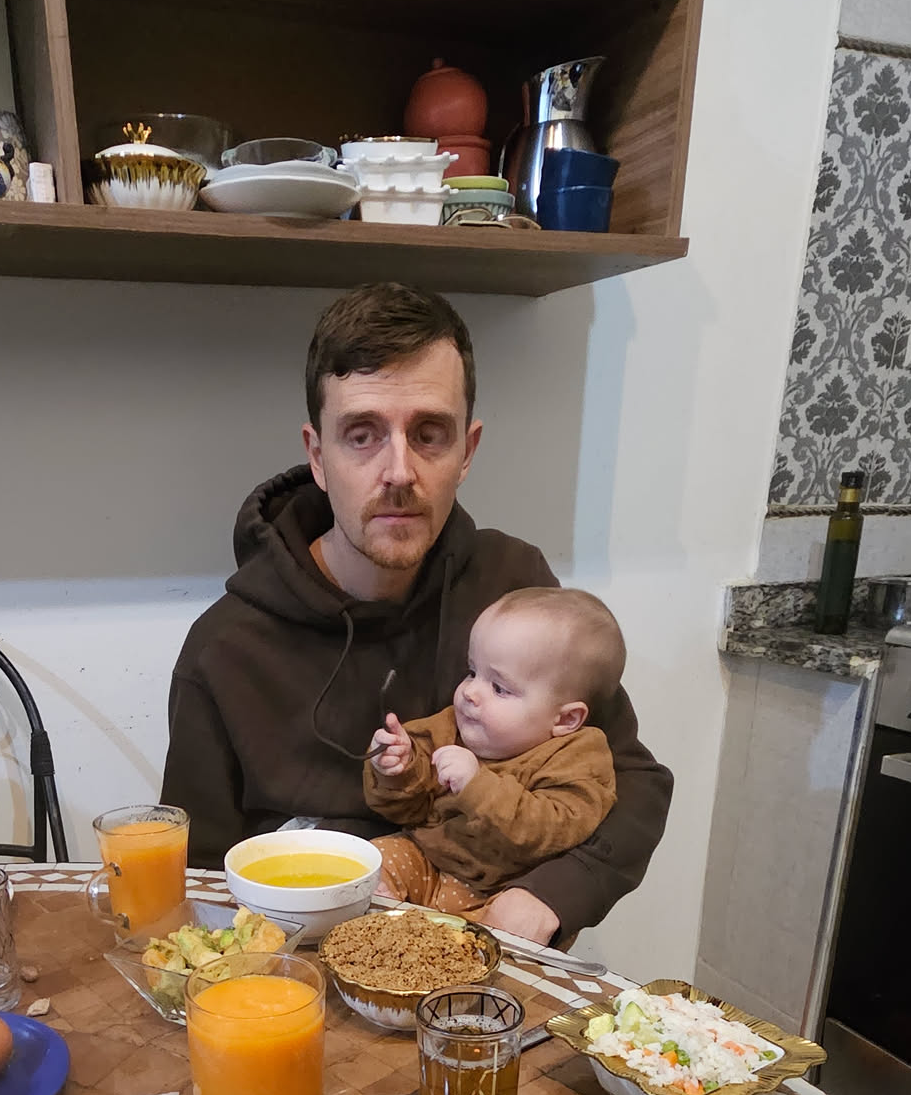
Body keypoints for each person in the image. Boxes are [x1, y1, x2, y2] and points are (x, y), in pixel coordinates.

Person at [163, 282, 671, 944]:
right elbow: (198, 879)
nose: (399, 472)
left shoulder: (515, 588)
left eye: (429, 434)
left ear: (467, 452)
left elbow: (632, 781)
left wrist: (551, 895)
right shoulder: (224, 647)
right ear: (318, 456)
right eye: (362, 435)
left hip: (479, 947)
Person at [364, 585, 622, 913]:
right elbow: (404, 810)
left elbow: (552, 831)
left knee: (508, 923)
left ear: (566, 719)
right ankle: (380, 918)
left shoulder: (579, 757)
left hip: (497, 888)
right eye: (472, 672)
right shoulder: (450, 726)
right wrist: (397, 768)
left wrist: (478, 786)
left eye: (499, 687)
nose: (470, 692)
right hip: (426, 859)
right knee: (372, 862)